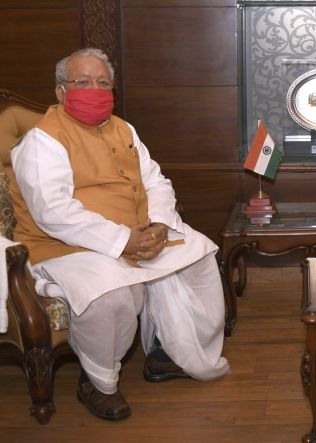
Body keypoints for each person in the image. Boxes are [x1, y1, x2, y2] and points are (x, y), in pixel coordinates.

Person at [9, 48, 230, 420]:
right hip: (67, 247)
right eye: (82, 83)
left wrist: (159, 224)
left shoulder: (123, 128)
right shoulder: (42, 140)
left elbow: (156, 181)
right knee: (112, 296)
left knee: (199, 256)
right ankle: (97, 383)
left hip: (140, 233)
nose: (93, 90)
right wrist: (124, 240)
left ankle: (168, 354)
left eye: (102, 83)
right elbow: (53, 212)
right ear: (61, 92)